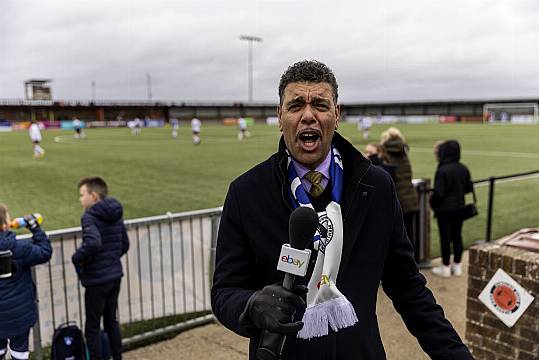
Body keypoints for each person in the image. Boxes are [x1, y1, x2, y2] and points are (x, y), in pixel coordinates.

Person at [211, 60, 472, 359]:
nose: (308, 115)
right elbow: (224, 293)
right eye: (296, 105)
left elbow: (409, 289)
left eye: (320, 104)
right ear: (280, 116)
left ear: (336, 115)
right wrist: (251, 306)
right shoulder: (247, 193)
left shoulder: (376, 187)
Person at [72, 177, 129, 360]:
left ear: (94, 196)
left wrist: (76, 258)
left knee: (93, 327)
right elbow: (124, 244)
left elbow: (93, 243)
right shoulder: (116, 212)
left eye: (82, 195)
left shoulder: (89, 216)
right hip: (114, 275)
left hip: (97, 280)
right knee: (111, 321)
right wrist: (111, 259)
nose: (80, 199)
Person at [0, 204, 52, 360]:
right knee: (20, 353)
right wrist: (35, 228)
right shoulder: (18, 248)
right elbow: (44, 252)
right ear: (4, 225)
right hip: (19, 315)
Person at [429, 140, 473, 278]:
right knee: (457, 236)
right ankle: (457, 266)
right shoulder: (463, 168)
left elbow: (439, 193)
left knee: (445, 238)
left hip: (444, 210)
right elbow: (468, 188)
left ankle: (446, 267)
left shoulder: (442, 169)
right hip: (459, 207)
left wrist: (432, 202)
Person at [380, 127, 419, 258]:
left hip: (398, 200)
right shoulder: (403, 152)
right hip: (411, 198)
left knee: (395, 238)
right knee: (409, 234)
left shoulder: (386, 154)